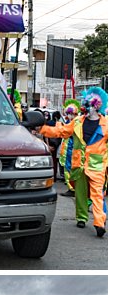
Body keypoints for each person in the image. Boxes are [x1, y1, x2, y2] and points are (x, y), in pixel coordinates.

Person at [39, 87, 108, 238]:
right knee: (81, 193)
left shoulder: (107, 124)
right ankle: (82, 218)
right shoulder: (77, 121)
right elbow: (61, 132)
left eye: (88, 105)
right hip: (79, 163)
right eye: (85, 104)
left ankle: (99, 223)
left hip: (96, 166)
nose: (85, 108)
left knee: (97, 194)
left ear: (96, 106)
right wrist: (42, 129)